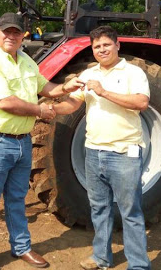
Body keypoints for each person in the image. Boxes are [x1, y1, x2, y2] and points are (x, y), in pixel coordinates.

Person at [0, 12, 84, 270]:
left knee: (16, 198)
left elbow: (46, 88)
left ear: (23, 35)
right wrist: (40, 111)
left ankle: (21, 247)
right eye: (6, 31)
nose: (11, 36)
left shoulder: (26, 61)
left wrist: (67, 87)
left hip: (23, 142)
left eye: (16, 32)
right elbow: (5, 102)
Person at [52, 25, 151, 270]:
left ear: (118, 45)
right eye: (97, 46)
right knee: (99, 208)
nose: (102, 49)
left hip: (124, 153)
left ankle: (138, 265)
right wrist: (48, 108)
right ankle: (101, 257)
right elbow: (73, 105)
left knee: (130, 211)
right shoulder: (87, 74)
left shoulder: (133, 72)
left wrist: (103, 91)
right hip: (93, 153)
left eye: (106, 44)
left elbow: (141, 102)